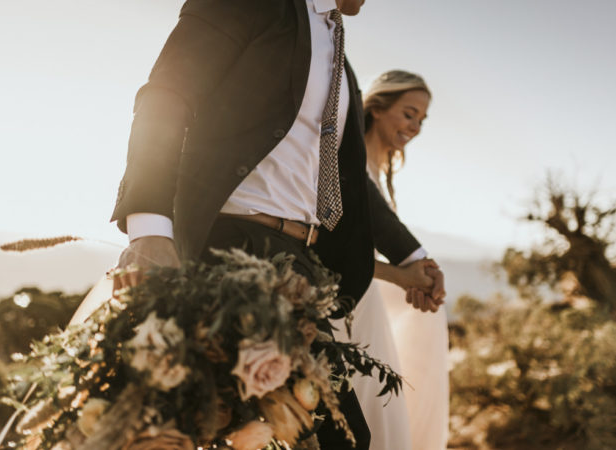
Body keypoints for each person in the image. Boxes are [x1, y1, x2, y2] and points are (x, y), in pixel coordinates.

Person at [110, 1, 444, 448]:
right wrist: (149, 229)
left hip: (302, 268)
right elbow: (168, 94)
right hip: (229, 248)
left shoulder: (338, 57)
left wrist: (413, 257)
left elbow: (349, 180)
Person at [336, 70, 450, 449]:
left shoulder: (381, 172)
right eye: (408, 113)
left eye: (421, 119)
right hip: (352, 301)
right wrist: (404, 278)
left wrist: (420, 278)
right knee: (370, 412)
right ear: (378, 108)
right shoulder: (348, 163)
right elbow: (335, 249)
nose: (415, 126)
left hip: (370, 292)